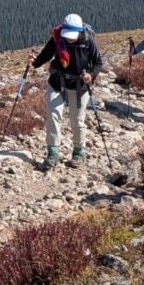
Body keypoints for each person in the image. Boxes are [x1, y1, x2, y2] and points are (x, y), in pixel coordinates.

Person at [28, 13, 103, 170]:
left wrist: (91, 75)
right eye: (67, 35)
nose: (69, 39)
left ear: (79, 31)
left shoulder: (88, 40)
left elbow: (98, 62)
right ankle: (53, 153)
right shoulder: (57, 38)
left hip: (79, 85)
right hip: (57, 83)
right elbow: (46, 54)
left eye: (72, 36)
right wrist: (34, 63)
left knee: (77, 120)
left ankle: (79, 153)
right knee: (53, 115)